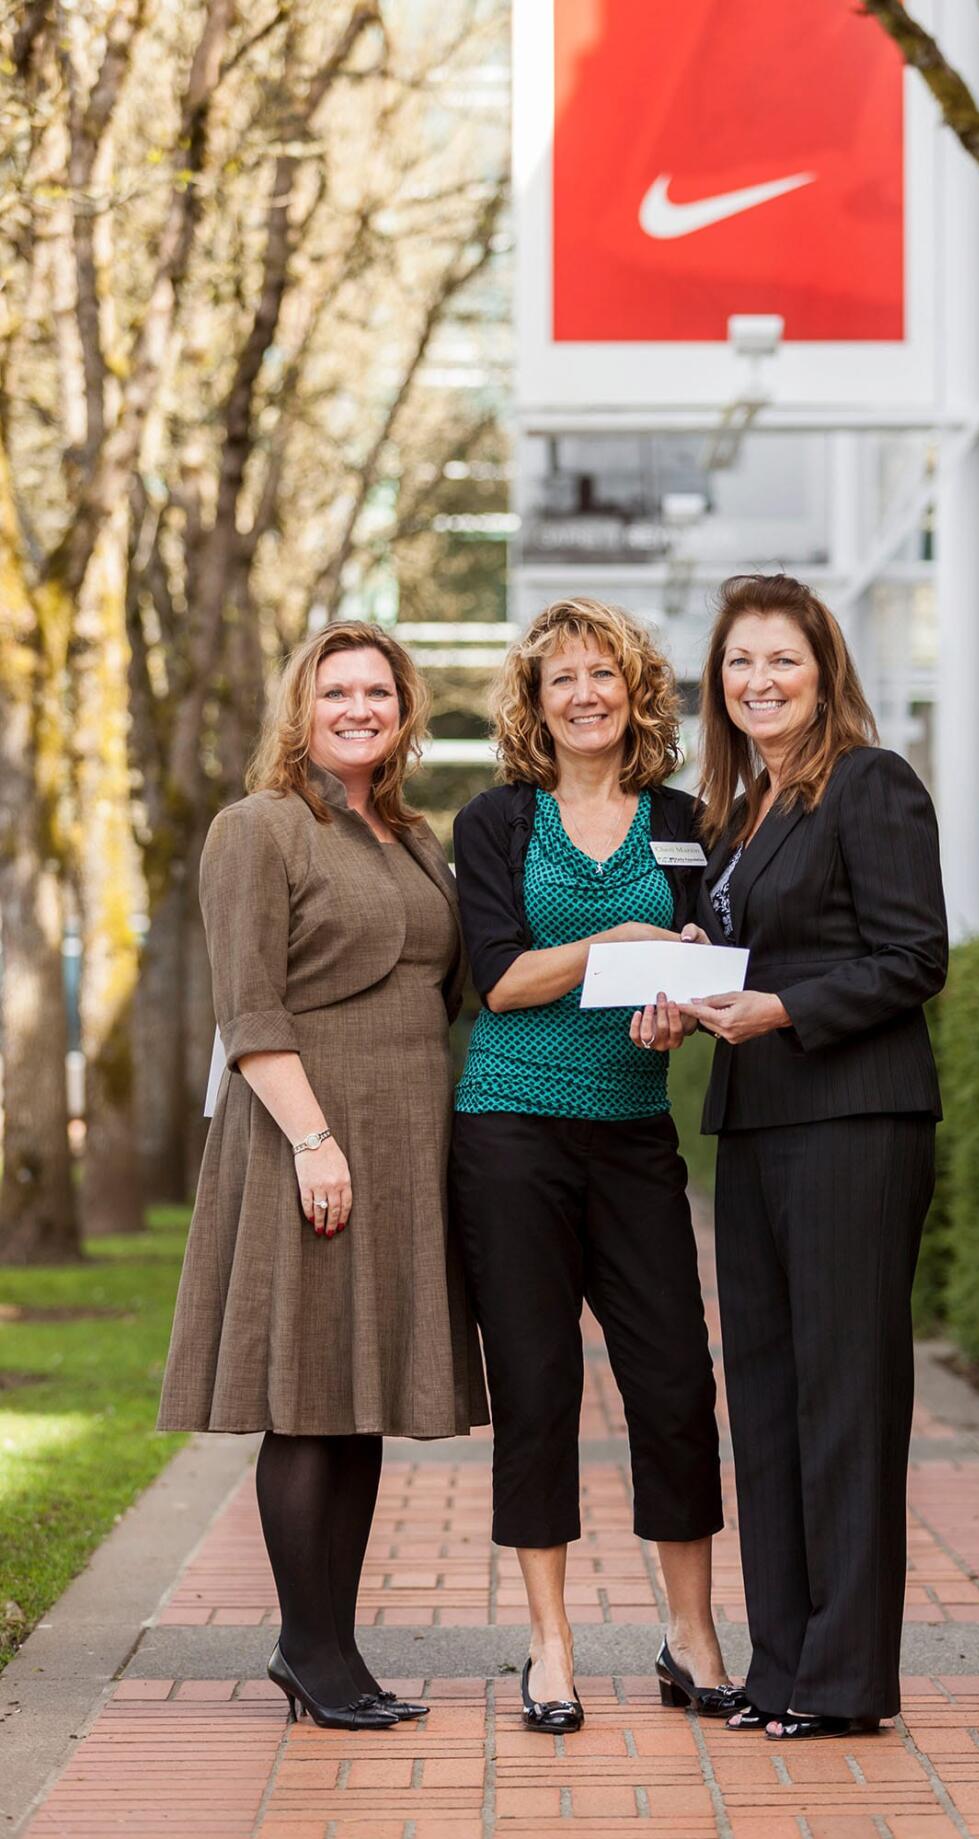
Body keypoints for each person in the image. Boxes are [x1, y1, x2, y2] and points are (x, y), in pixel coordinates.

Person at [158, 621, 487, 1732]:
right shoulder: (257, 830)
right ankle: (308, 1650)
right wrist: (313, 1140)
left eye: (378, 692)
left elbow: (448, 990)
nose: (358, 708)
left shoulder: (409, 836)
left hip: (407, 1136)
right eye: (335, 691)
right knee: (306, 1398)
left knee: (360, 1402)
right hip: (309, 1130)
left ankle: (333, 1646)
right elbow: (250, 1007)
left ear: (405, 710)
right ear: (300, 708)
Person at [635, 573, 947, 1741]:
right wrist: (681, 986)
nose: (757, 682)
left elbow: (915, 956)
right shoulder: (738, 815)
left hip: (853, 1123)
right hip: (756, 1126)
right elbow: (734, 956)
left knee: (843, 1399)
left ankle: (844, 1679)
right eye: (737, 665)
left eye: (781, 662)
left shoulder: (869, 784)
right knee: (762, 1399)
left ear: (824, 675)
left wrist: (781, 1008)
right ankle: (780, 1666)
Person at [449, 597, 743, 1735]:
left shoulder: (683, 819)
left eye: (602, 675)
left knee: (673, 1380)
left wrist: (679, 1000)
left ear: (635, 693)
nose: (584, 695)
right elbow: (498, 981)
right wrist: (608, 948)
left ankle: (692, 1635)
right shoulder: (495, 822)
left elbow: (705, 961)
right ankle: (551, 1647)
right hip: (511, 1128)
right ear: (534, 702)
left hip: (630, 1133)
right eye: (560, 678)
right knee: (537, 1385)